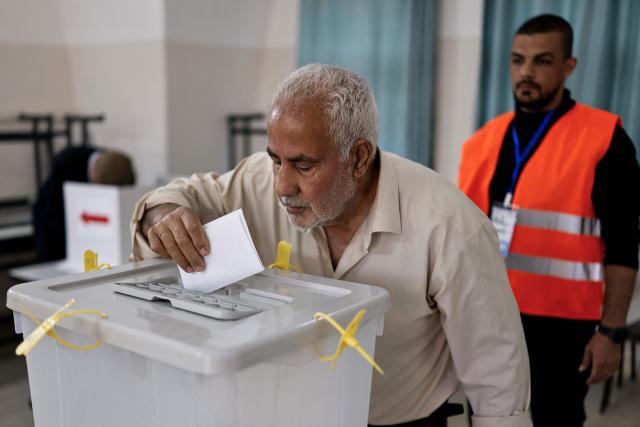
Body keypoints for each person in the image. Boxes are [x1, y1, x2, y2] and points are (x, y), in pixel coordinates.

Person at [131, 64, 532, 426]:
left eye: (304, 165)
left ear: (358, 158)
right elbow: (183, 194)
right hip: (292, 410)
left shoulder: (449, 227)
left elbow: (496, 374)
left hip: (399, 419)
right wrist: (163, 214)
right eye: (275, 159)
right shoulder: (259, 182)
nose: (282, 185)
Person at [458, 14, 639, 427]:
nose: (526, 72)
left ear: (568, 66)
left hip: (564, 329)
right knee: (488, 418)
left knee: (556, 419)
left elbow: (625, 246)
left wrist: (611, 332)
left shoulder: (605, 140)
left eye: (542, 61)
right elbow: (460, 240)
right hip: (489, 316)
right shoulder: (482, 142)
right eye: (517, 60)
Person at [33, 145, 135, 261]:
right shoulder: (65, 167)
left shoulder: (114, 164)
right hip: (56, 236)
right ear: (95, 177)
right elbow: (47, 217)